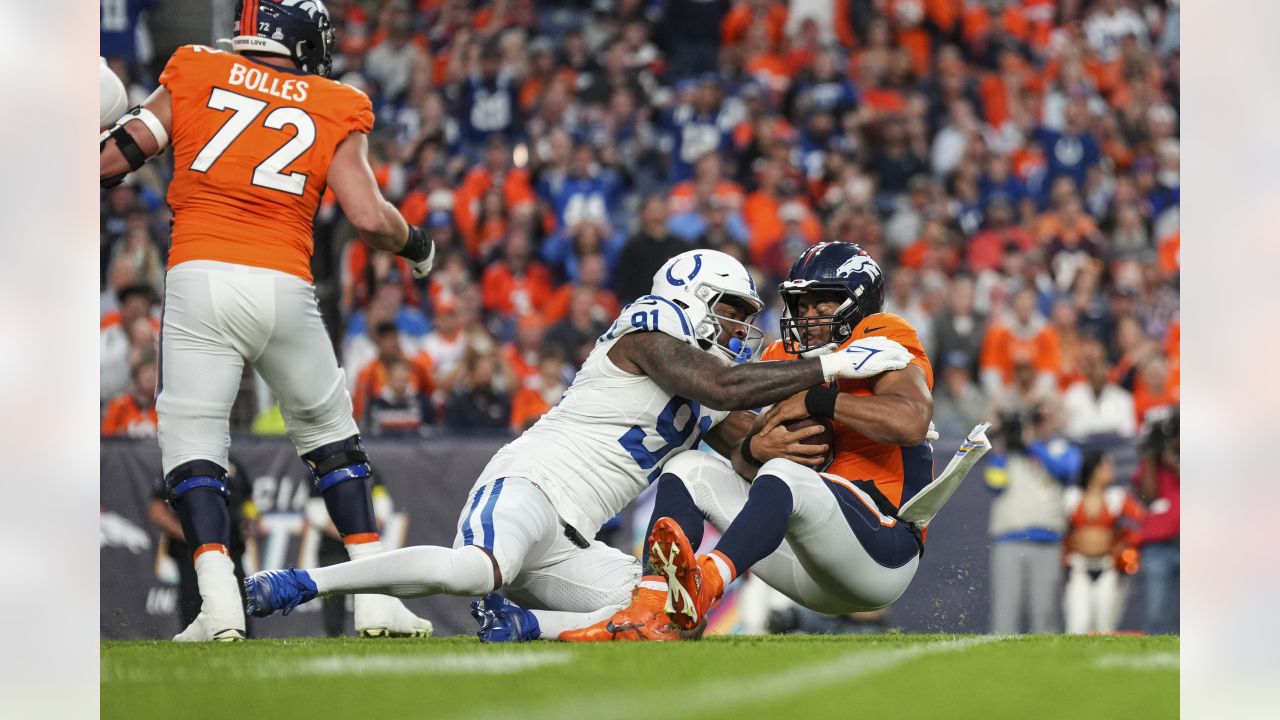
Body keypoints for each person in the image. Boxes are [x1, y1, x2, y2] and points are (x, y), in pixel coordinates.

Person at [245, 249, 916, 643]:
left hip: (572, 538)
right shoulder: (650, 326)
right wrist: (832, 367)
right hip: (533, 485)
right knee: (475, 570)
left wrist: (765, 453)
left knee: (663, 611)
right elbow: (726, 383)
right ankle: (302, 585)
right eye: (733, 310)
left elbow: (734, 456)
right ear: (695, 295)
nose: (742, 325)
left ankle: (525, 627)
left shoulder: (700, 378)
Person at [99, 0, 437, 642]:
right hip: (283, 279)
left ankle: (219, 603)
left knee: (194, 443)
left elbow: (113, 160)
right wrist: (417, 245)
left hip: (199, 274)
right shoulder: (335, 100)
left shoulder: (195, 67)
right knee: (331, 435)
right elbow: (368, 217)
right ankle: (373, 596)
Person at [538, 242, 991, 642]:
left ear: (859, 305)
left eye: (823, 303)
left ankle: (705, 586)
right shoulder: (781, 356)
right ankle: (656, 607)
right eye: (802, 303)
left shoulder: (883, 334)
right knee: (688, 470)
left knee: (784, 474)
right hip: (804, 558)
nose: (808, 315)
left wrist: (818, 398)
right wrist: (755, 449)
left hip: (881, 551)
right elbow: (751, 460)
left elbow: (910, 421)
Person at [985, 404, 1080, 634]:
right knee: (1004, 612)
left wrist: (1031, 445)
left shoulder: (1061, 449)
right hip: (1010, 539)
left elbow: (1066, 471)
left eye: (1043, 420)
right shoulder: (1008, 453)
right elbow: (994, 484)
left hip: (1047, 540)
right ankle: (999, 666)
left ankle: (1047, 667)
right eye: (1034, 421)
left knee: (1045, 613)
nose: (1040, 426)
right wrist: (1002, 446)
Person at [1062, 451, 1144, 634]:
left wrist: (1126, 543)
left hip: (1107, 568)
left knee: (1105, 626)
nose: (1111, 470)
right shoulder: (1071, 497)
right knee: (1077, 625)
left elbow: (1142, 522)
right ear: (1094, 470)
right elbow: (1060, 529)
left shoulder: (1116, 497)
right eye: (1106, 466)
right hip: (1078, 568)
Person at [1134, 407, 1180, 634]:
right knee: (1155, 617)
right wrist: (1152, 455)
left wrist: (1173, 461)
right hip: (1158, 546)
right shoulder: (1153, 460)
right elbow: (1148, 495)